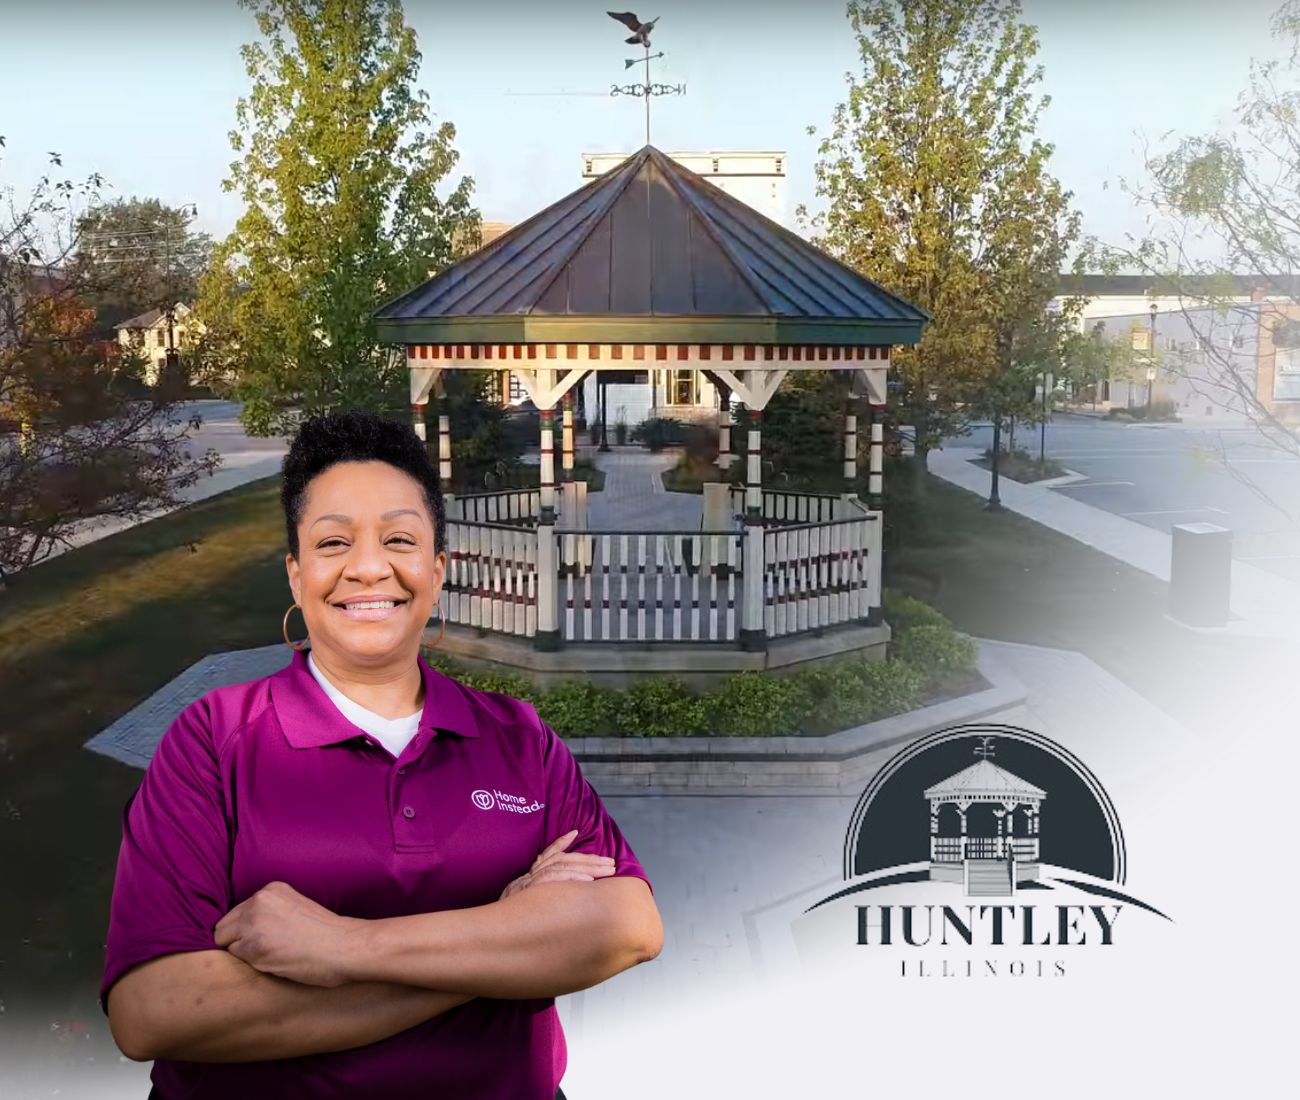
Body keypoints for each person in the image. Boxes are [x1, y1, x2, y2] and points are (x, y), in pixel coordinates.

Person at [100, 410, 663, 1099]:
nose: (369, 568)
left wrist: (342, 947)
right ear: (296, 574)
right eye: (333, 542)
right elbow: (154, 1009)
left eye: (399, 539)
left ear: (437, 569)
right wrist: (509, 939)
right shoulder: (213, 740)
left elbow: (628, 925)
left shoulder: (518, 736)